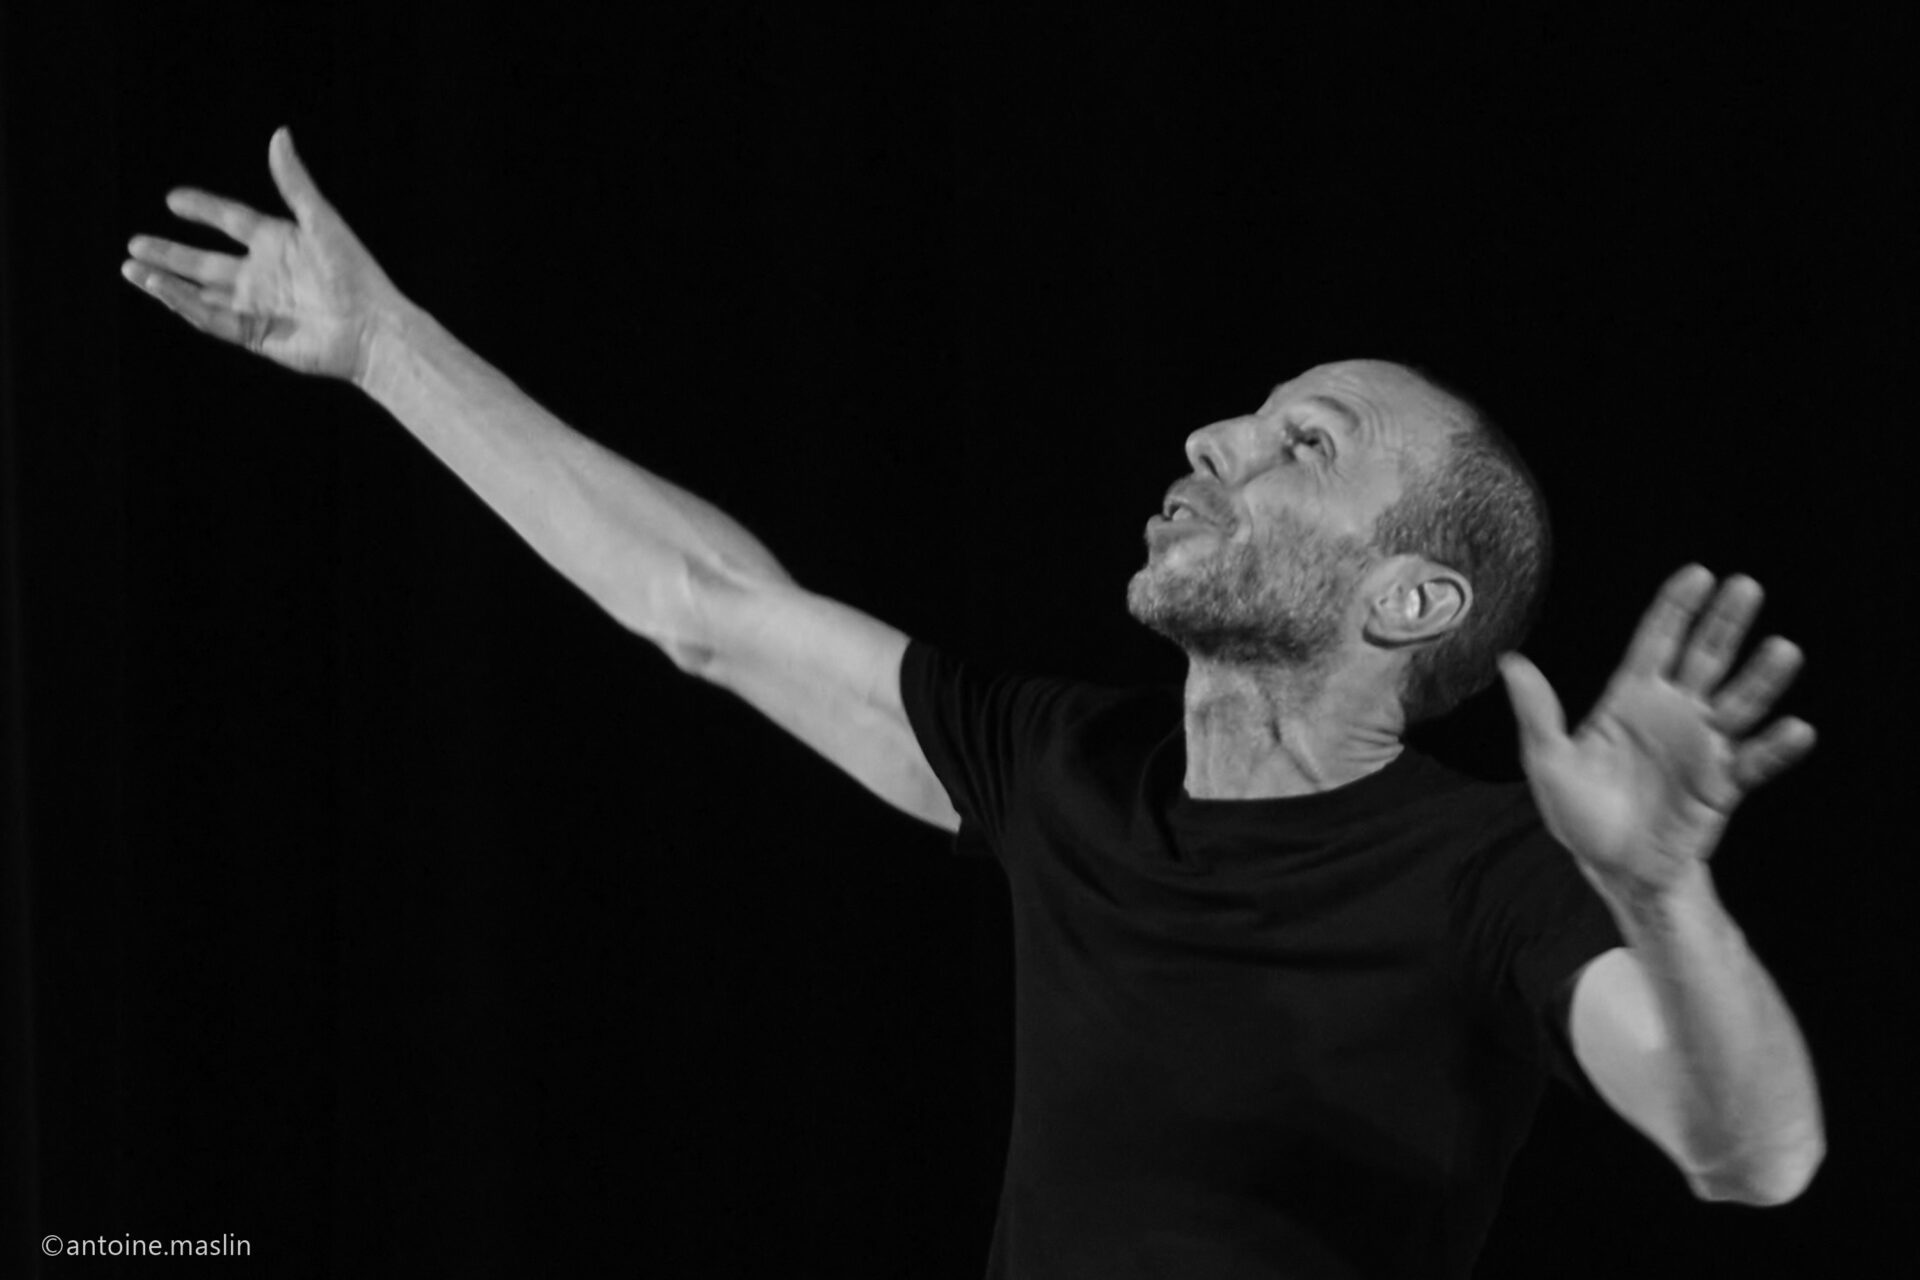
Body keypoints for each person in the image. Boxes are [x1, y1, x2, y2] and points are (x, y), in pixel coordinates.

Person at [124, 128, 1827, 1279]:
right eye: (1242, 417)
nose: (1215, 441)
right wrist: (381, 346)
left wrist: (1660, 893)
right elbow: (705, 606)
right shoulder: (1064, 769)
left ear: (1410, 600)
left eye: (1304, 443)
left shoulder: (1493, 875)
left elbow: (1749, 1154)